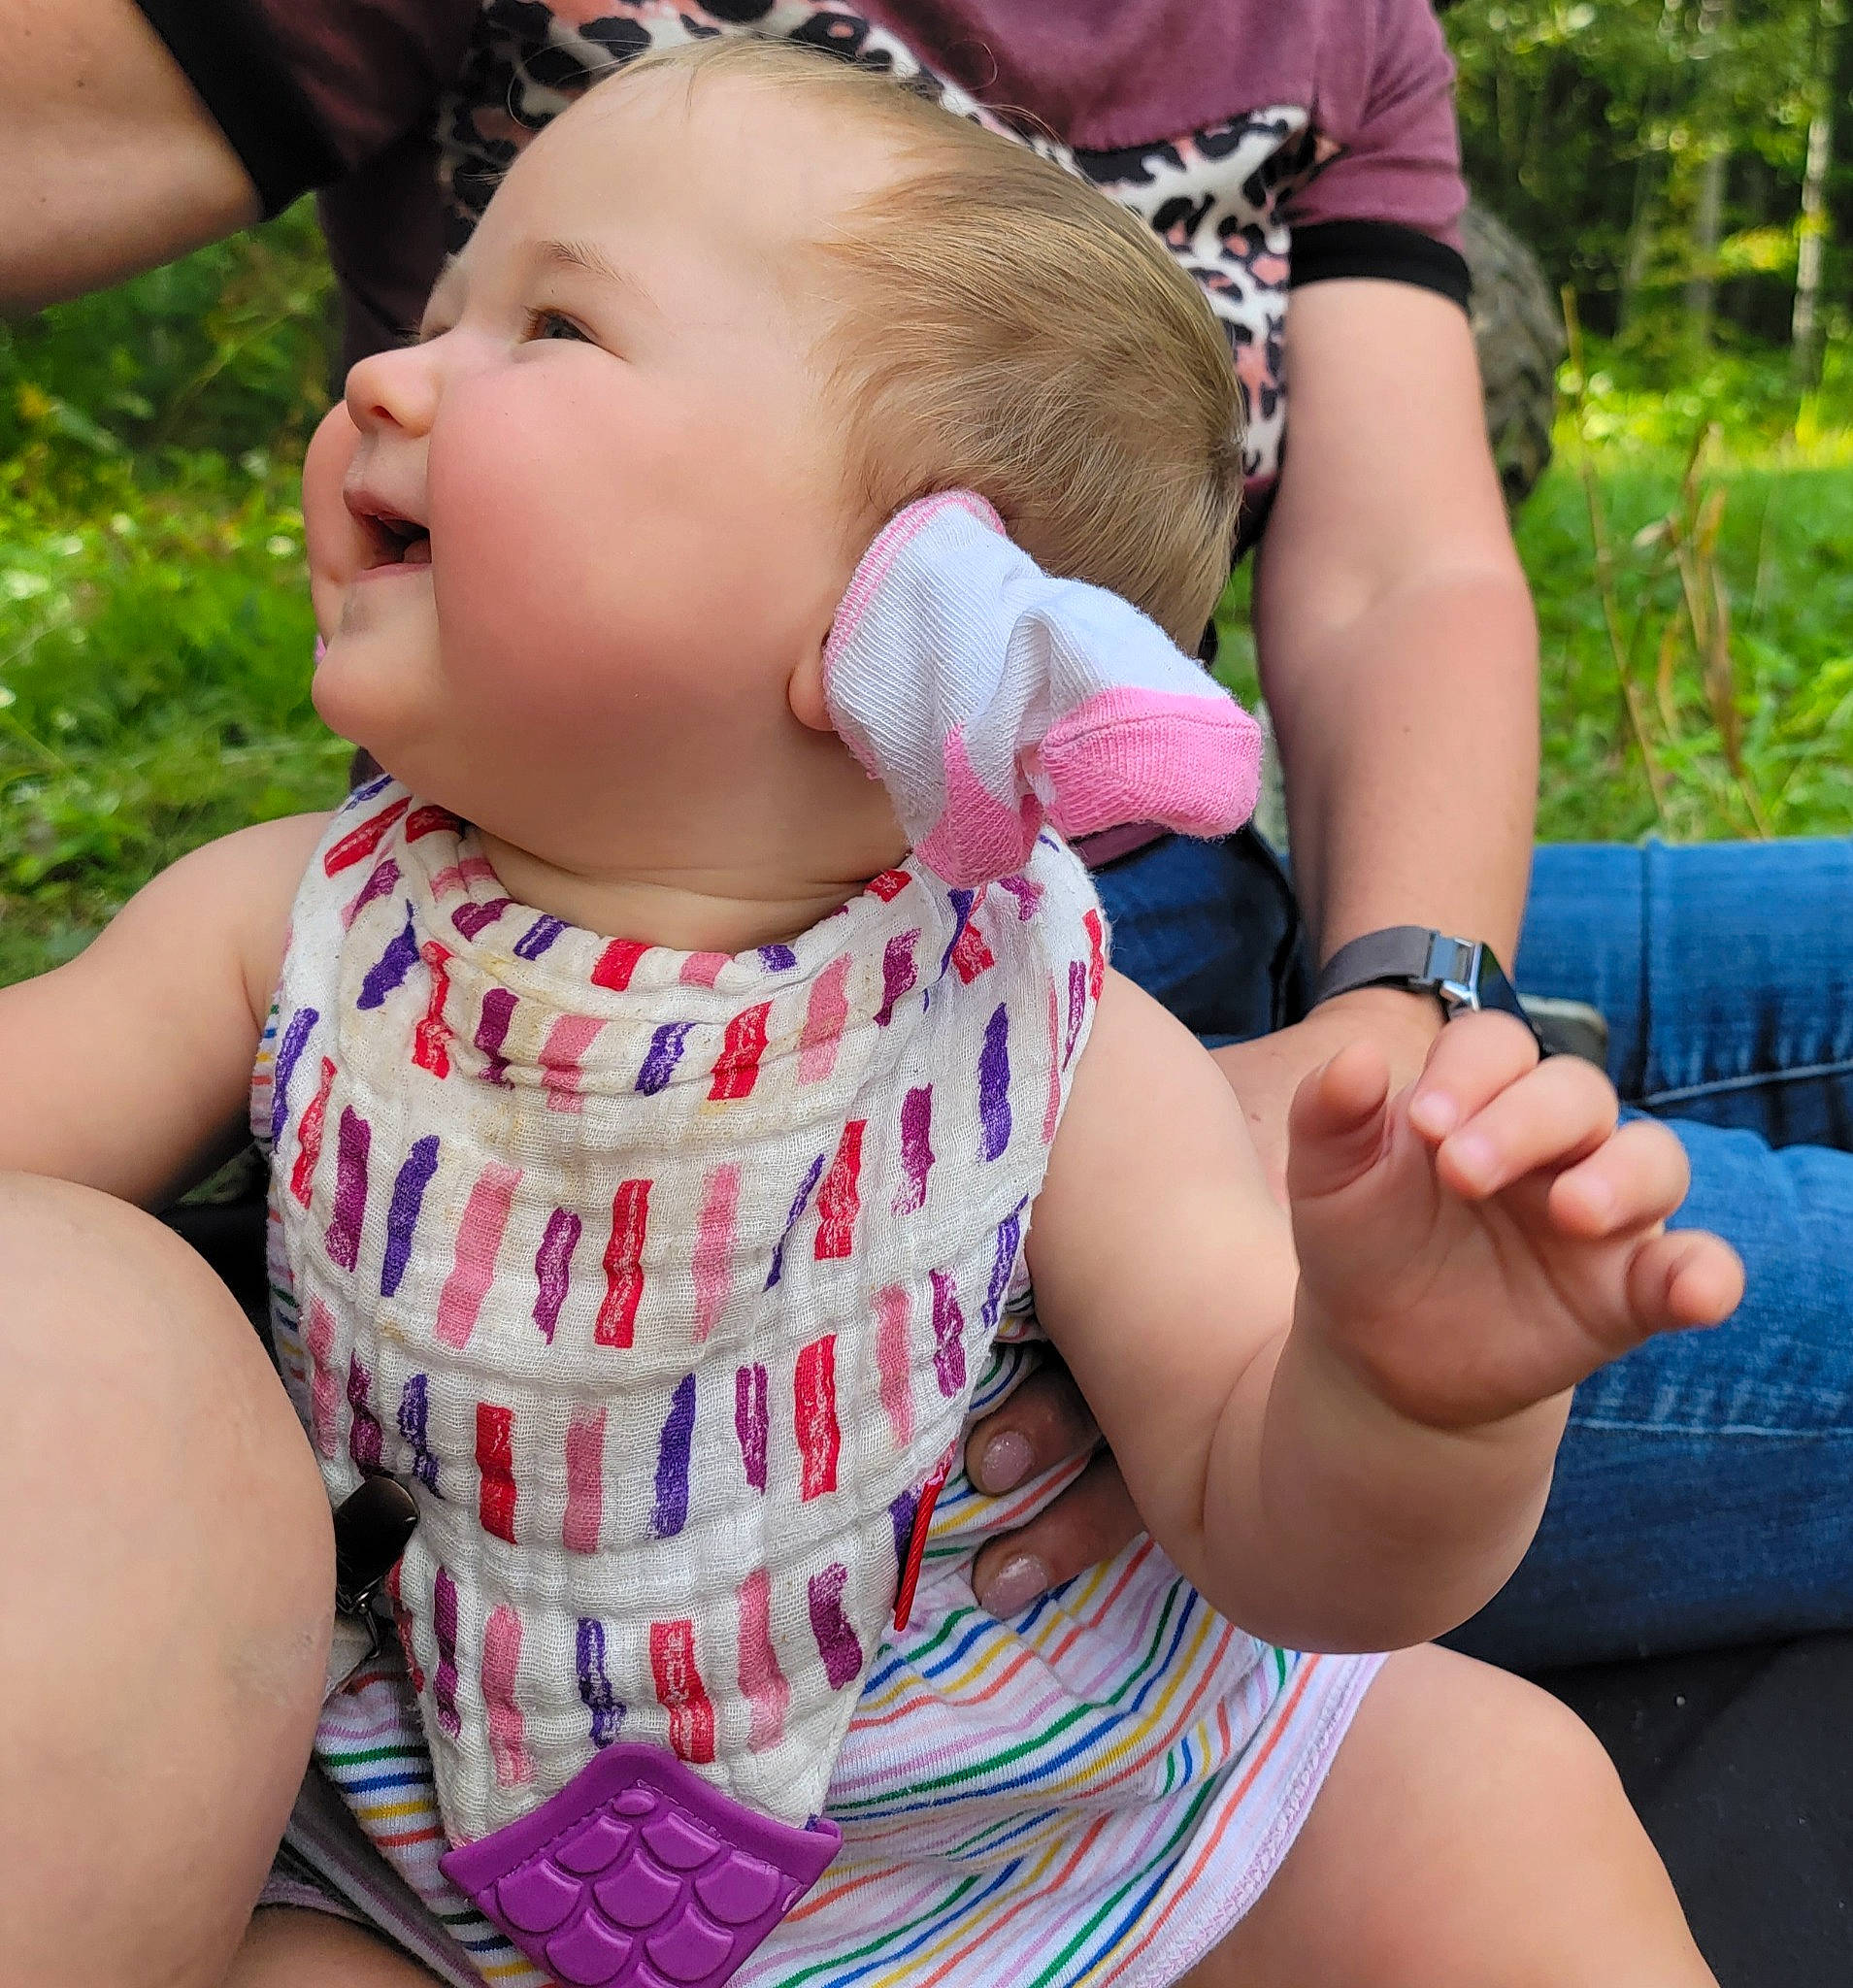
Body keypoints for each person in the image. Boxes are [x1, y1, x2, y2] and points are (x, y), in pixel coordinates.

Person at [0, 43, 1746, 1986]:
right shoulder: (284, 921)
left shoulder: (1042, 1029)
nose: (385, 378)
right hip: (449, 1867)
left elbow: (1285, 1537)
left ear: (902, 599)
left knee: (1486, 1799)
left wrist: (1414, 1400)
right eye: (439, 312)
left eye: (551, 325)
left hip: (1048, 1827)